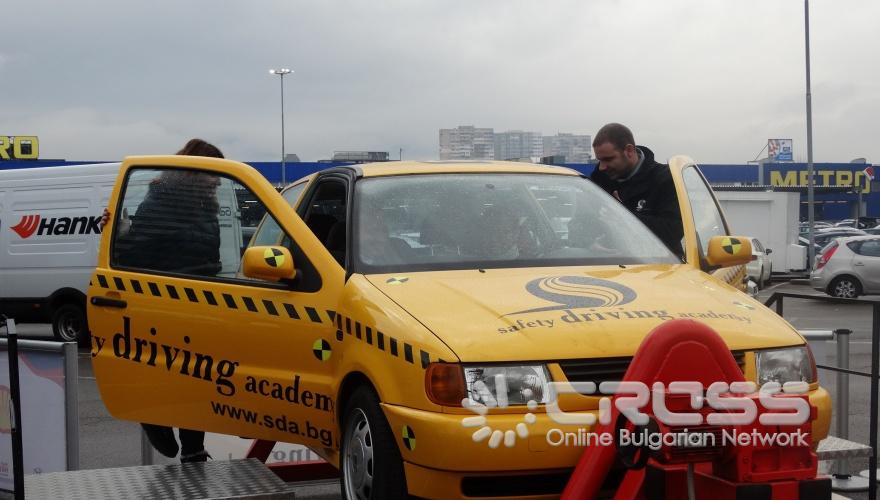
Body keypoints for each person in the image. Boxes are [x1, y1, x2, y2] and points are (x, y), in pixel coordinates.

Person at [106, 138, 224, 463]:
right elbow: (136, 253)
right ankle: (156, 419)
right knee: (180, 376)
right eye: (212, 173)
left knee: (198, 378)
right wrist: (119, 234)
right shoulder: (159, 205)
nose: (216, 181)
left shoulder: (204, 207)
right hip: (168, 305)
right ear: (192, 172)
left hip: (202, 303)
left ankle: (193, 448)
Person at [589, 123, 684, 258]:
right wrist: (589, 244)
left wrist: (623, 215)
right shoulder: (599, 180)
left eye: (608, 159)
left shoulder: (666, 179)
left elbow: (673, 231)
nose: (602, 167)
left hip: (658, 264)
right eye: (599, 160)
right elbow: (580, 222)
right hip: (602, 263)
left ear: (629, 151)